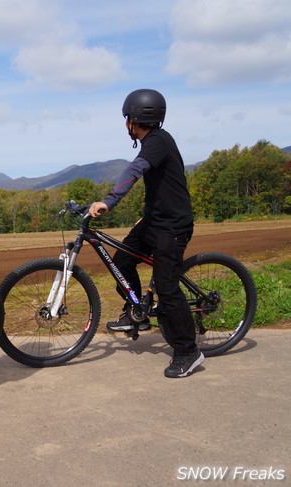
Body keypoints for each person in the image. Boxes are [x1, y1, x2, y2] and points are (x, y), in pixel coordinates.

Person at [88, 89, 203, 379]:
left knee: (167, 288)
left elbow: (136, 168)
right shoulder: (153, 142)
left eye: (127, 118)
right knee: (122, 263)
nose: (126, 123)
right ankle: (136, 313)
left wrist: (109, 200)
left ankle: (188, 352)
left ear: (133, 120)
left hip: (173, 227)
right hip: (153, 220)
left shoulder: (158, 141)